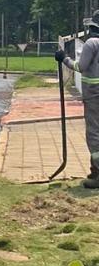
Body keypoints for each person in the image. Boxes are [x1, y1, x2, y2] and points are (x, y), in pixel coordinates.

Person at [56, 16, 99, 187]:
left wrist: (64, 58)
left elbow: (80, 67)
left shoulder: (92, 43)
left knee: (94, 134)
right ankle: (94, 170)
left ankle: (98, 175)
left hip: (94, 95)